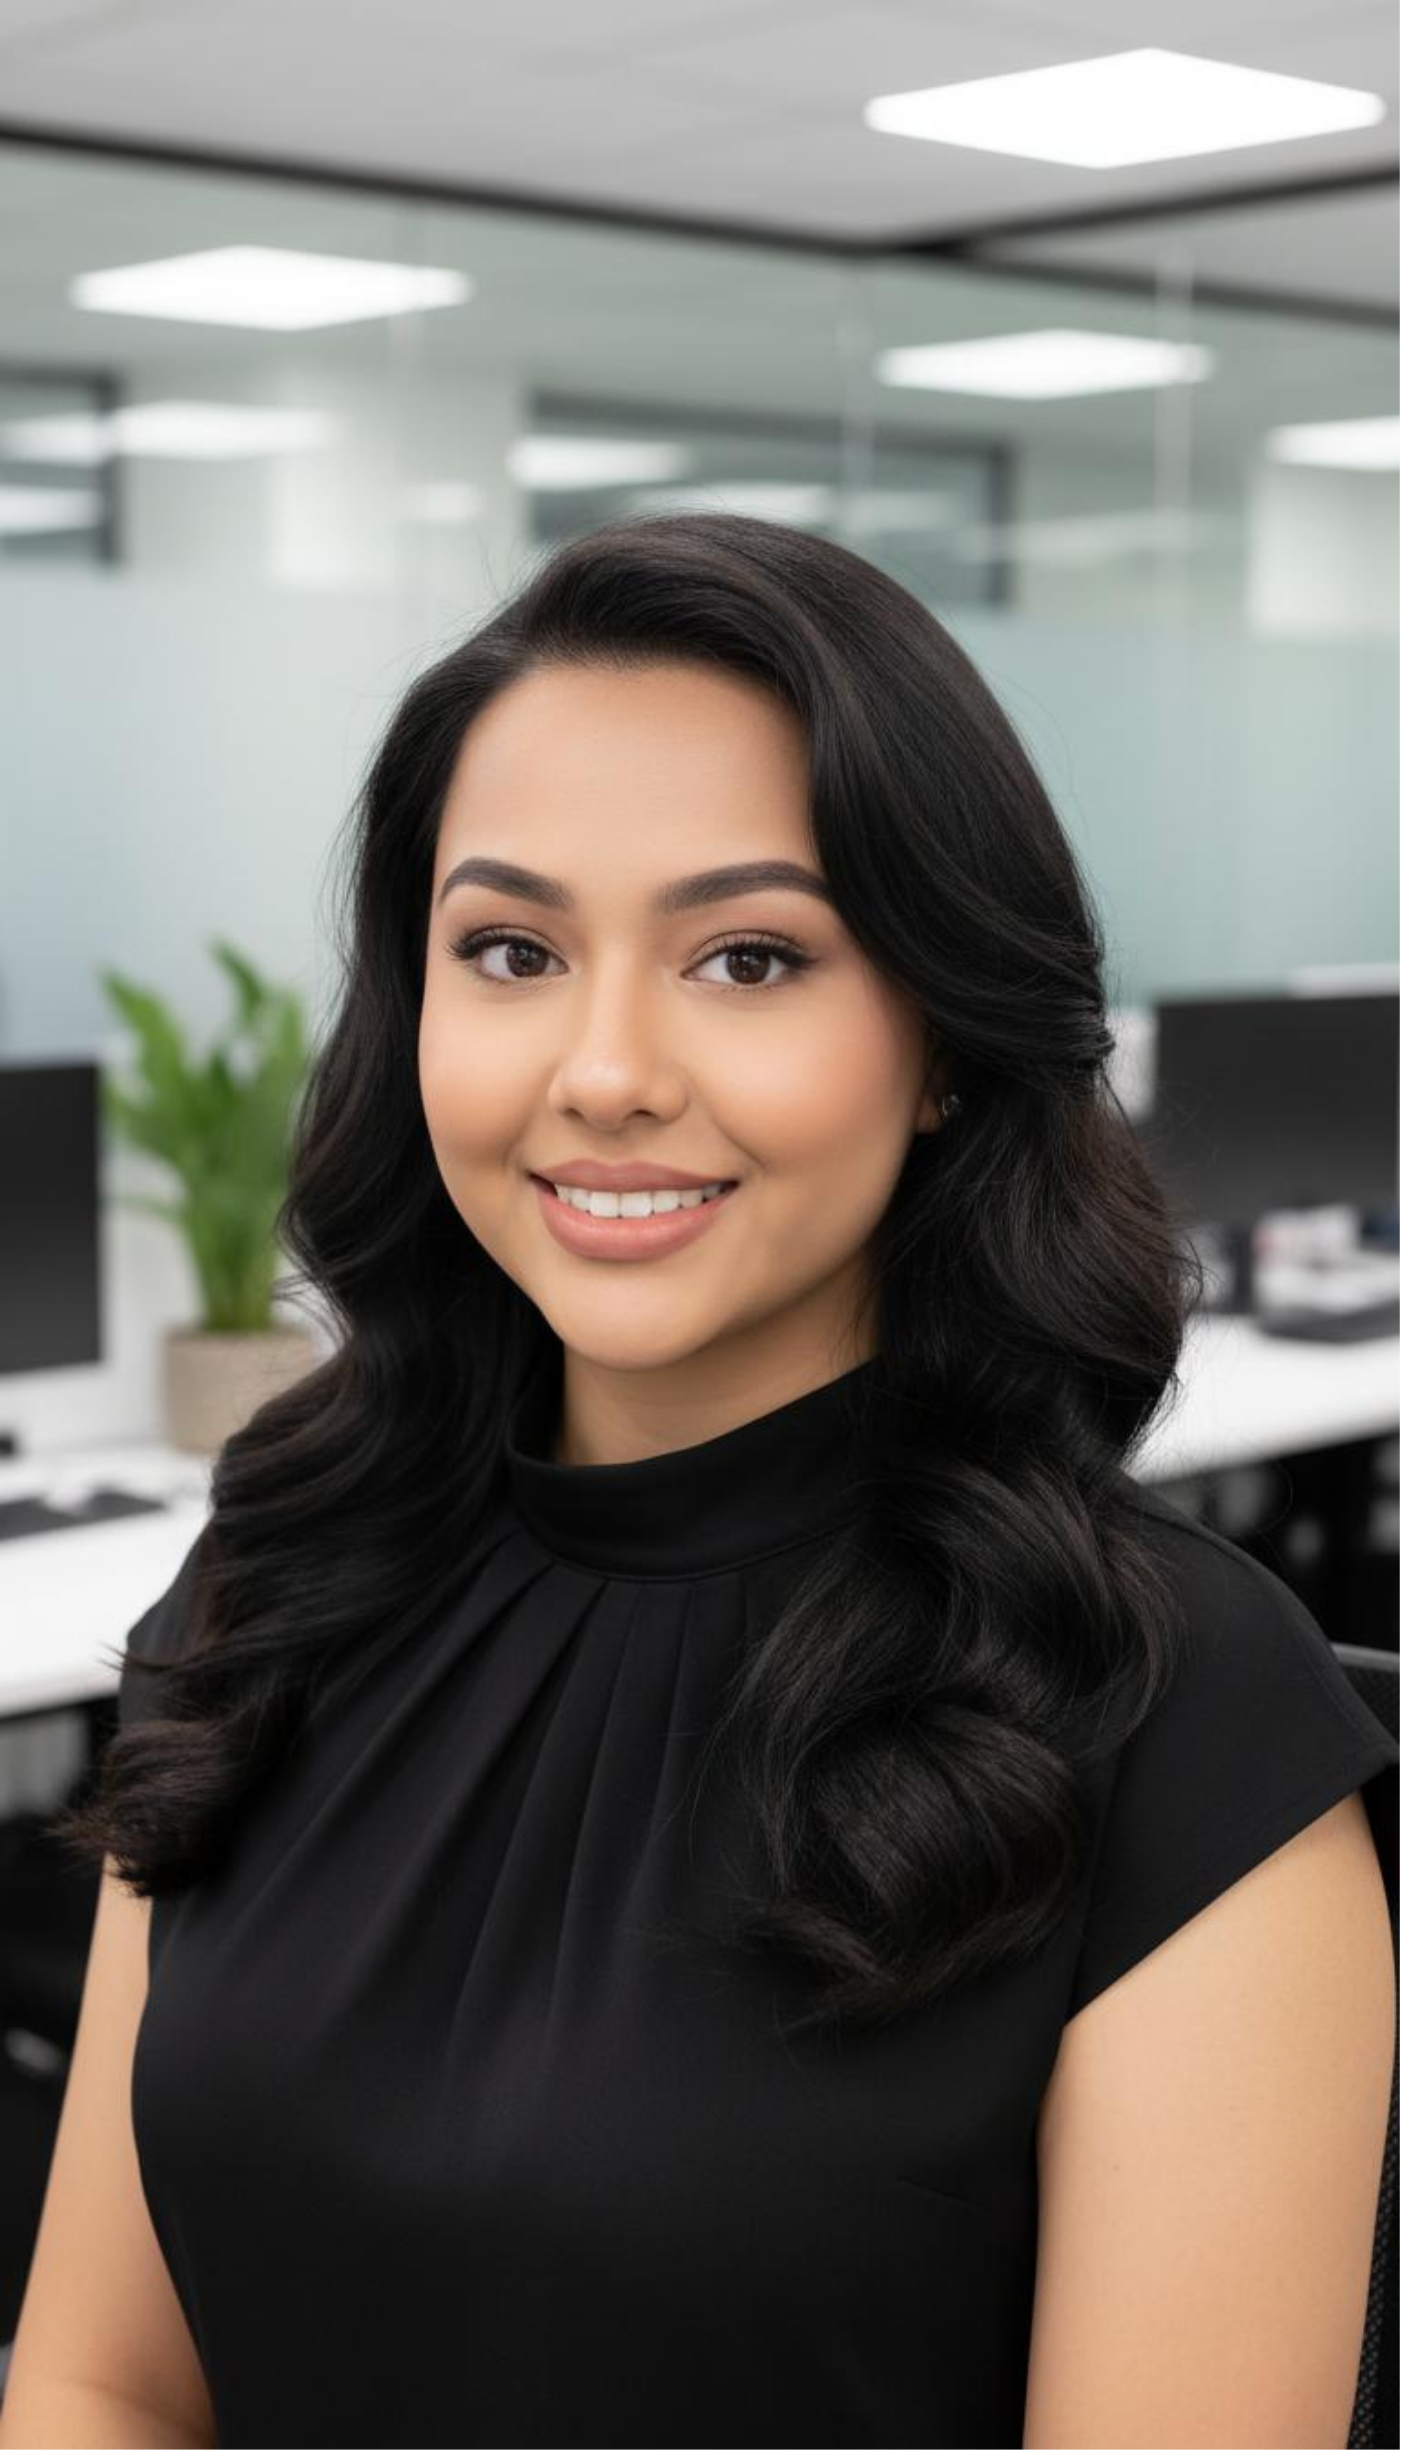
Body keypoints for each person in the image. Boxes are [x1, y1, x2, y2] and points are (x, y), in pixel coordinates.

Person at [6, 511, 1397, 2452]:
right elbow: (100, 2380)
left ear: (937, 1041)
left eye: (746, 955)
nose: (601, 1066)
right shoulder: (278, 1577)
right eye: (509, 948)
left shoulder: (1182, 1725)